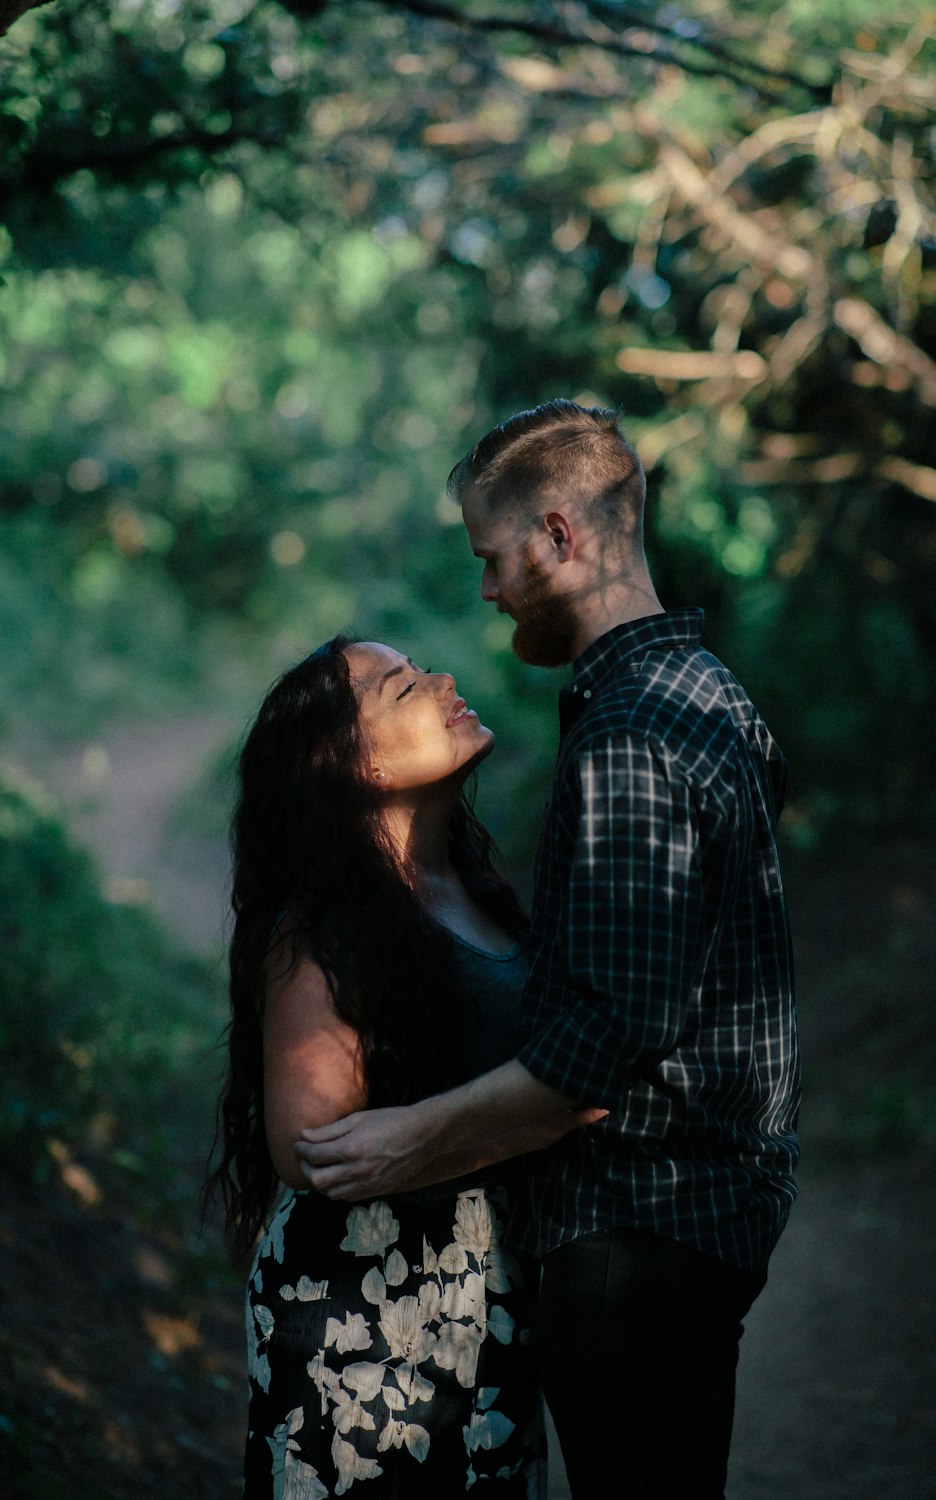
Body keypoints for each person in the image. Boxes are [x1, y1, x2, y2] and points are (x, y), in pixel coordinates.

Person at [294, 401, 801, 1499]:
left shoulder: (625, 734)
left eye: (492, 558)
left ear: (559, 537)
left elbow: (600, 1042)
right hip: (705, 1217)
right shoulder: (711, 695)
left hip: (639, 1232)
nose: (485, 590)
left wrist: (406, 1142)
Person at [205, 635, 603, 1498]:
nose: (443, 681)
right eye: (404, 687)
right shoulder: (322, 928)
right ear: (354, 766)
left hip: (485, 1302)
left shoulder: (472, 886)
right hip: (360, 1311)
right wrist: (543, 1117)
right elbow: (314, 1146)